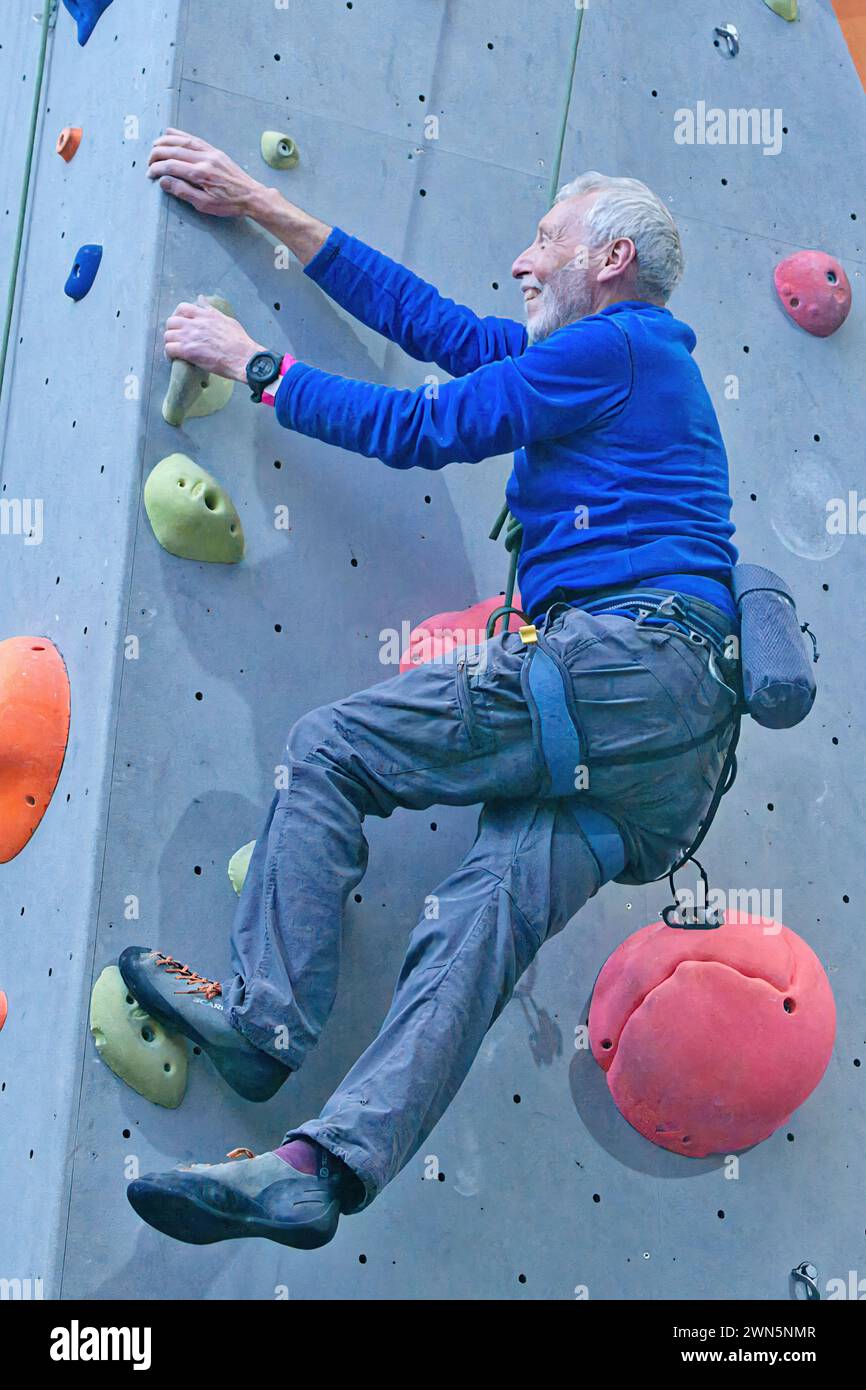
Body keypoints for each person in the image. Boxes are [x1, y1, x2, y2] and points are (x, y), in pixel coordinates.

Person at [120, 130, 740, 1249]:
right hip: (668, 760)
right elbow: (440, 332)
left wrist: (260, 367)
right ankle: (323, 1167)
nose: (518, 259)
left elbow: (427, 425)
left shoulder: (626, 346)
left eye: (542, 239)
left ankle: (265, 1021)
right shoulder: (607, 366)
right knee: (474, 926)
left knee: (331, 749)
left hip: (623, 670)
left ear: (607, 261)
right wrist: (266, 204)